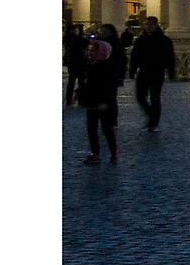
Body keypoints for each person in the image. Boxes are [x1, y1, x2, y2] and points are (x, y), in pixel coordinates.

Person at [79, 27, 125, 163]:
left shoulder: (107, 67)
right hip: (92, 102)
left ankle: (113, 152)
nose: (90, 53)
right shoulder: (91, 65)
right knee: (91, 129)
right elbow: (88, 84)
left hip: (104, 103)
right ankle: (96, 153)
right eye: (90, 51)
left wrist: (106, 102)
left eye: (94, 51)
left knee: (106, 129)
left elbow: (109, 87)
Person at [130, 16, 177, 131]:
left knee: (155, 98)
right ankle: (152, 115)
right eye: (147, 24)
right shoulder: (140, 40)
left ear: (156, 25)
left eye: (151, 24)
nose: (149, 26)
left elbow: (170, 57)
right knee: (140, 96)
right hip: (143, 71)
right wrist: (132, 71)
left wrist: (171, 72)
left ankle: (153, 123)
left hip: (157, 72)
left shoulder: (165, 40)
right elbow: (134, 56)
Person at [63, 24, 87, 108]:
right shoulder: (76, 39)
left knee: (71, 81)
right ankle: (81, 100)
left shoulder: (66, 38)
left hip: (72, 62)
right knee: (81, 81)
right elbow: (85, 43)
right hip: (79, 62)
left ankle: (69, 99)